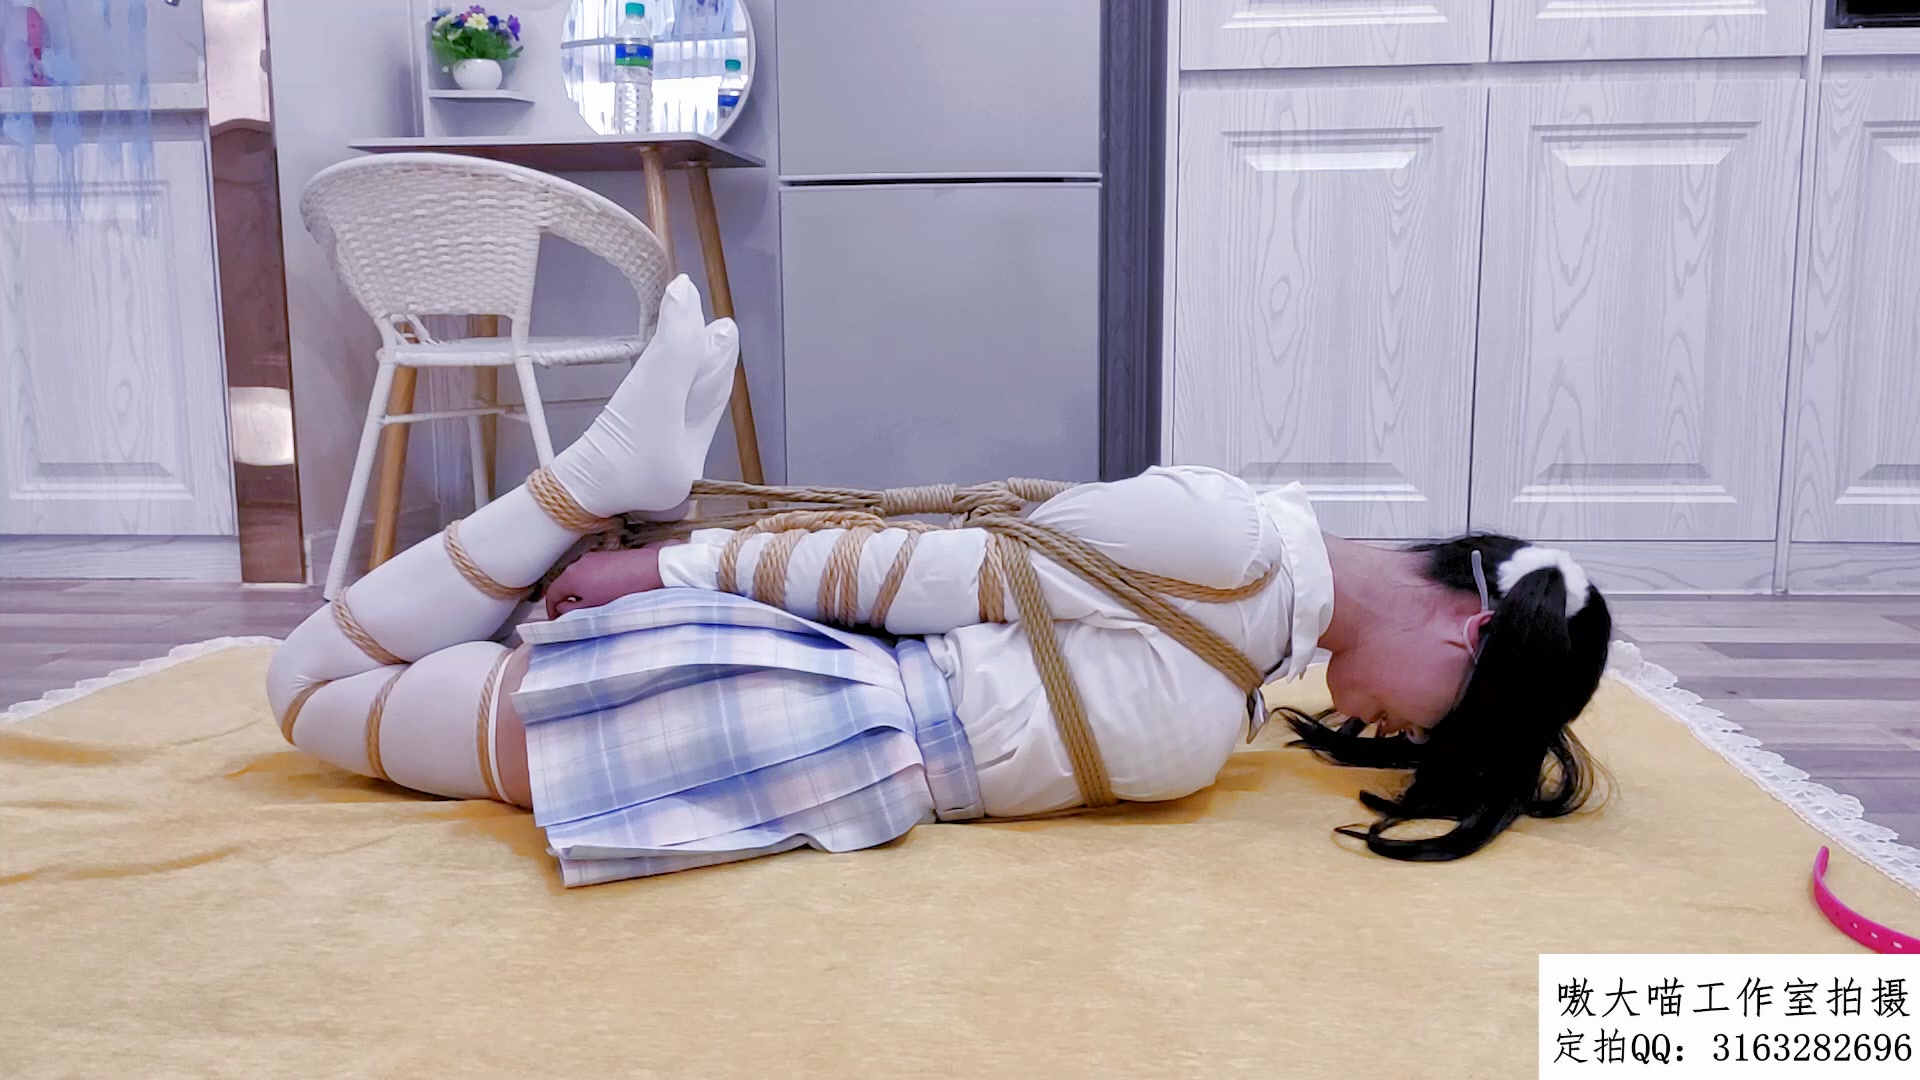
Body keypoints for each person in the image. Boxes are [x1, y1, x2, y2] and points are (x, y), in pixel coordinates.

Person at [267, 276, 1614, 887]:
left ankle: (603, 479)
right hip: (782, 712)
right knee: (306, 688)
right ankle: (587, 480)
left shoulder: (1260, 634)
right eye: (1452, 719)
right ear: (1467, 627)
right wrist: (664, 560)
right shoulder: (1234, 545)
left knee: (333, 689)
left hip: (812, 743)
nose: (1404, 736)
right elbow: (938, 568)